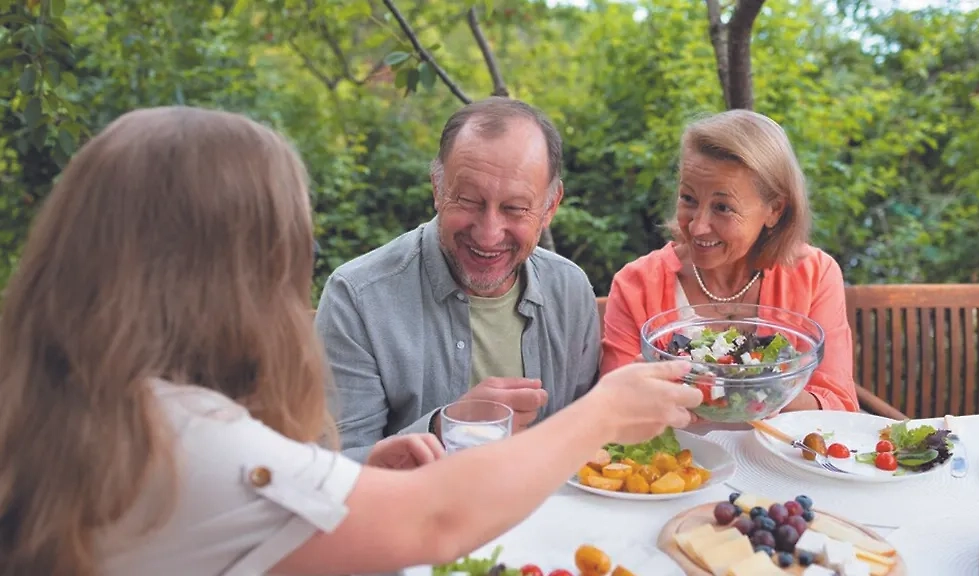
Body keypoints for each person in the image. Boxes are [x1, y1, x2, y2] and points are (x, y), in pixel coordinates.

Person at [0, 106, 703, 576]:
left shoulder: (60, 394)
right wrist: (605, 413)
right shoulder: (183, 439)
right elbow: (432, 521)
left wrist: (364, 478)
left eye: (515, 208)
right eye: (286, 249)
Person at [315, 97, 601, 461]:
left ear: (550, 207)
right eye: (468, 201)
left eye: (514, 208)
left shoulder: (570, 292)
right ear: (437, 188)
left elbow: (586, 447)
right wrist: (444, 427)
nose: (488, 234)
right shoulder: (357, 300)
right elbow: (334, 473)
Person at [600, 109, 859, 412]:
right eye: (688, 199)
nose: (697, 226)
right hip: (673, 456)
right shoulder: (637, 284)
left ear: (774, 209)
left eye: (723, 207)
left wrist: (749, 387)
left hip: (774, 459)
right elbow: (613, 411)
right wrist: (633, 394)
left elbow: (838, 405)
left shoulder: (814, 274)